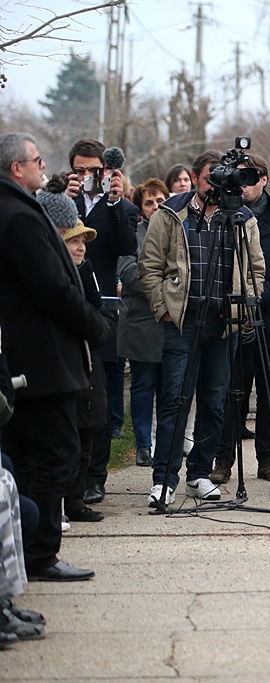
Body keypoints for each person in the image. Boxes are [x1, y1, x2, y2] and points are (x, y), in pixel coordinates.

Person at [0, 132, 110, 581]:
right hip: (42, 362)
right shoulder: (19, 216)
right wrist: (95, 325)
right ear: (16, 169)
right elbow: (52, 289)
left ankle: (23, 558)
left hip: (26, 360)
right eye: (37, 160)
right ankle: (40, 554)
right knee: (56, 455)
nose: (44, 167)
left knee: (29, 459)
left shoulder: (17, 208)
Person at [139, 150, 266, 507]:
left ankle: (198, 474)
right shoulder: (170, 214)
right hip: (182, 323)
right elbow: (148, 266)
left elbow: (257, 269)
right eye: (211, 176)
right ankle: (164, 479)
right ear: (195, 178)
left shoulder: (242, 218)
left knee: (214, 403)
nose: (217, 184)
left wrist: (244, 306)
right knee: (175, 401)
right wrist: (163, 308)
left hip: (223, 325)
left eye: (222, 176)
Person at [211, 154, 270, 485]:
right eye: (240, 177)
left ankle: (266, 458)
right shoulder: (221, 218)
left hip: (267, 319)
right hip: (229, 320)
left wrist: (255, 303)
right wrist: (235, 309)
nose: (244, 184)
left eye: (251, 177)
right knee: (232, 393)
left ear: (264, 179)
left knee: (267, 396)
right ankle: (223, 459)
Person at [64, 139, 139, 504]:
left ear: (107, 171)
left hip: (105, 310)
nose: (87, 177)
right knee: (70, 394)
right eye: (80, 170)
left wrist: (113, 203)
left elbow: (127, 246)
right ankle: (69, 477)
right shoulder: (62, 203)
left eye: (94, 170)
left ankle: (97, 477)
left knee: (106, 399)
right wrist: (65, 199)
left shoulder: (119, 206)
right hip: (65, 306)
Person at [57, 219, 117, 524]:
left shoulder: (87, 269)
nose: (80, 247)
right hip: (67, 363)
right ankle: (60, 501)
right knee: (66, 438)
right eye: (73, 241)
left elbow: (101, 309)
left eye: (83, 241)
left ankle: (77, 498)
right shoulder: (55, 274)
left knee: (89, 430)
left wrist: (102, 325)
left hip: (91, 361)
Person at [120, 179, 170, 468]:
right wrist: (164, 289)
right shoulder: (132, 235)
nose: (156, 206)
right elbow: (128, 271)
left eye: (161, 200)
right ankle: (142, 443)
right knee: (143, 385)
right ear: (140, 208)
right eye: (149, 202)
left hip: (170, 324)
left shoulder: (177, 233)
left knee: (168, 389)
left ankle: (165, 442)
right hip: (141, 322)